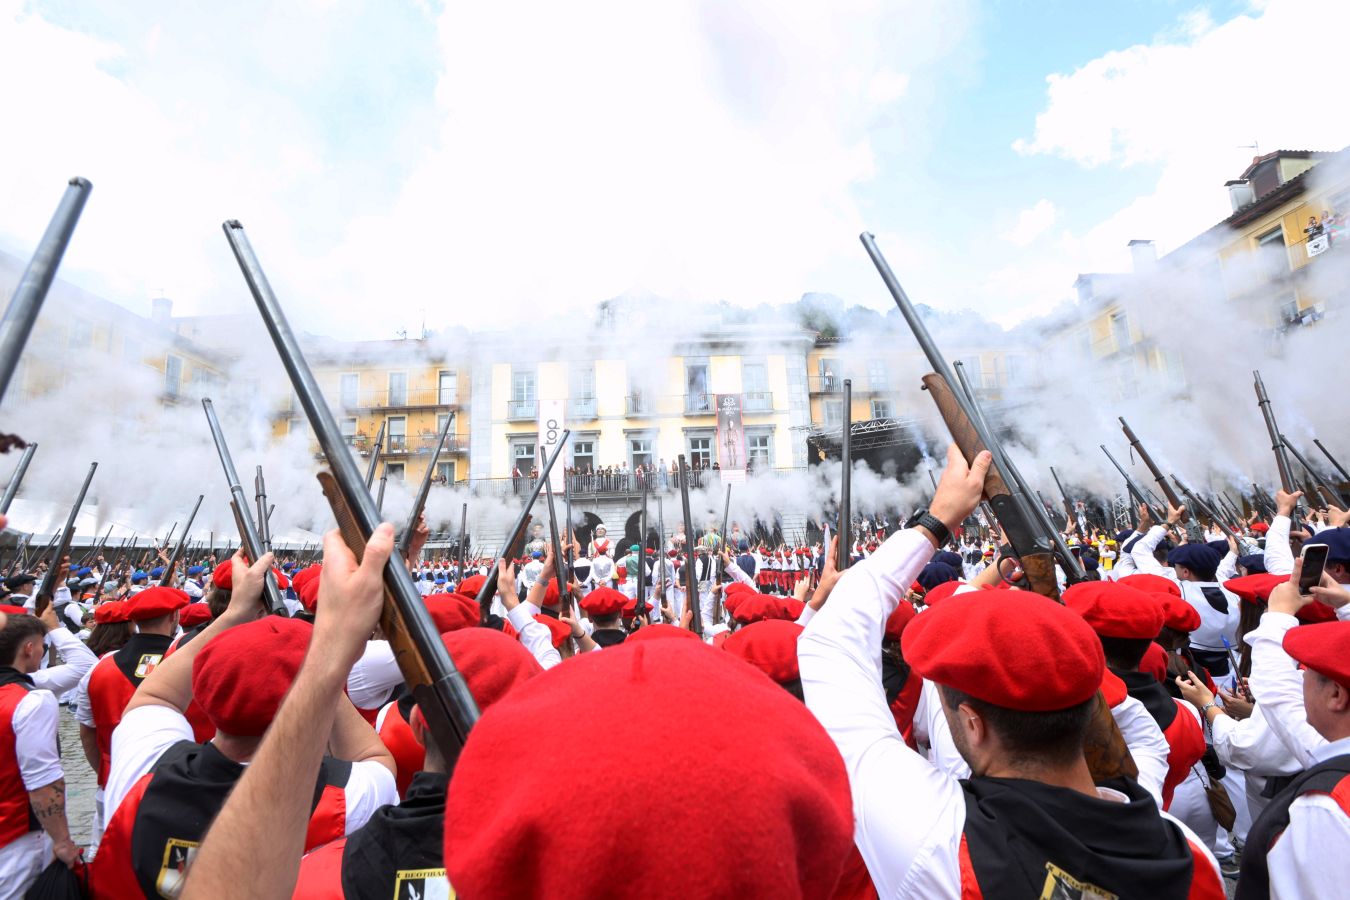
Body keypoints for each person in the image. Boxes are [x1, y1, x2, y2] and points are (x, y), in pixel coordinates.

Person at [798, 445, 1225, 898]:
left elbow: (831, 638)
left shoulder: (938, 841)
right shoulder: (1190, 853)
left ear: (973, 723)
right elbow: (1144, 737)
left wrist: (936, 520)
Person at [91, 549, 396, 896]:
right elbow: (377, 760)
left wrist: (235, 614)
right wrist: (319, 667)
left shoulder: (143, 768)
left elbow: (155, 695)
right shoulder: (347, 797)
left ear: (205, 690)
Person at [0, 611, 81, 897]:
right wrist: (62, 841)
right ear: (29, 649)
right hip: (16, 841)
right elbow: (42, 783)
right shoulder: (31, 701)